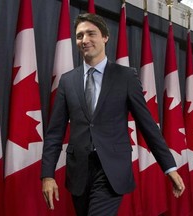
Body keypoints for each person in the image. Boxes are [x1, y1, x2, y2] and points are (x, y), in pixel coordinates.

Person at [41, 13, 185, 216]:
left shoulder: (126, 77)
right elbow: (55, 133)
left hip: (112, 170)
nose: (85, 40)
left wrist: (169, 167)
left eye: (91, 33)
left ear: (105, 37)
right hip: (79, 172)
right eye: (80, 35)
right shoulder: (67, 81)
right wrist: (47, 175)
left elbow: (147, 125)